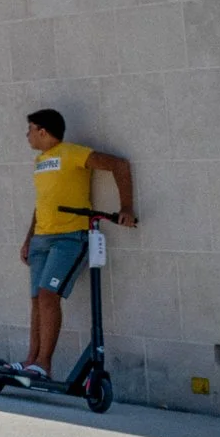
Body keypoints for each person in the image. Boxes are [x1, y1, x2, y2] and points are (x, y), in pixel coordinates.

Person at [19, 108, 135, 377]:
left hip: (69, 239)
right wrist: (28, 239)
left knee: (49, 296)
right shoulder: (40, 162)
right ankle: (30, 360)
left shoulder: (72, 153)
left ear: (43, 132)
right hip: (41, 240)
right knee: (37, 300)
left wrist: (126, 207)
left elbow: (119, 165)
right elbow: (42, 204)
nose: (27, 135)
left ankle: (44, 364)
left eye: (30, 129)